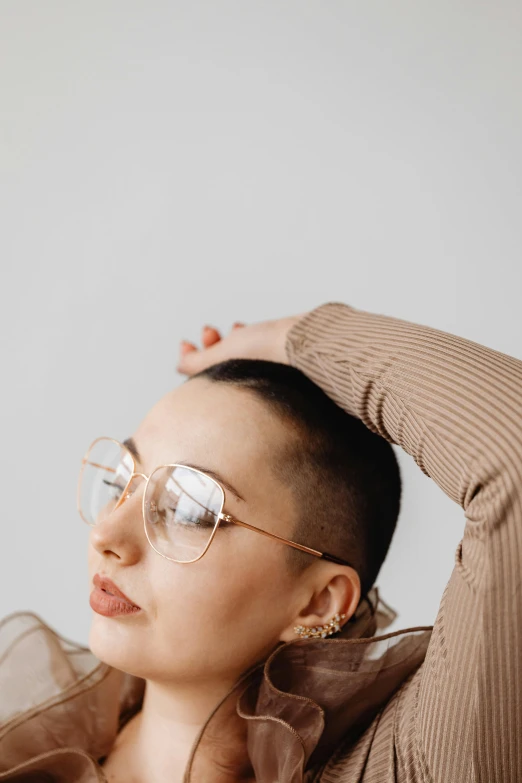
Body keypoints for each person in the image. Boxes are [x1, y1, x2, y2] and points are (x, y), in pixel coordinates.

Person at [0, 301, 520, 783]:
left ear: (318, 602)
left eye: (190, 510)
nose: (106, 536)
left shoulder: (401, 767)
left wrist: (294, 337)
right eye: (122, 482)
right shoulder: (21, 752)